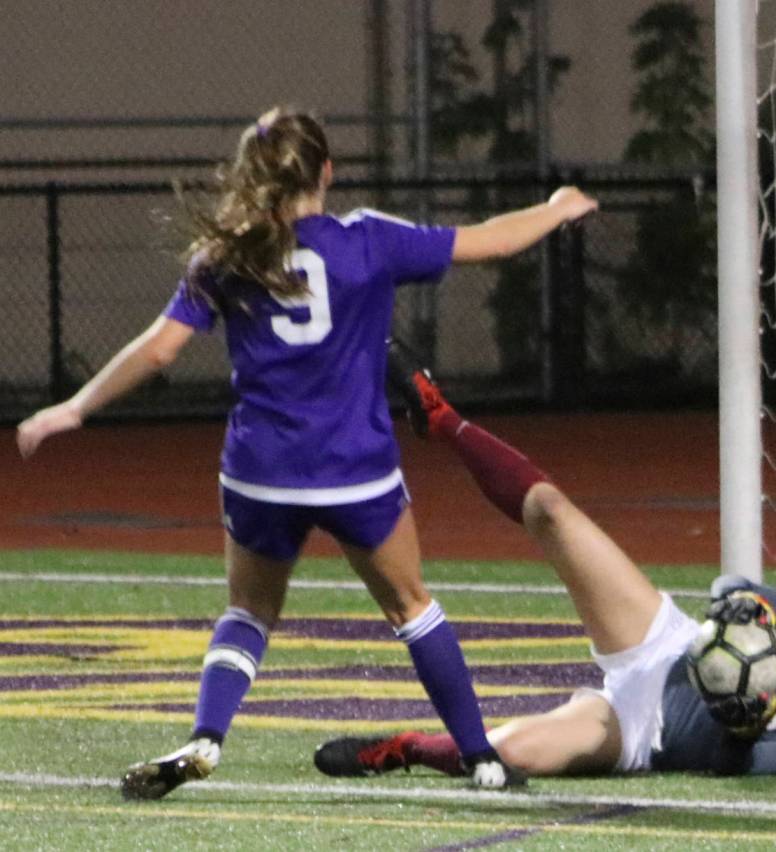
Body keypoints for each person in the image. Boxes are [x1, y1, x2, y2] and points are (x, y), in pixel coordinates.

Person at [15, 106, 598, 798]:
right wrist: (557, 207)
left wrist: (74, 408)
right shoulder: (368, 240)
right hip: (354, 470)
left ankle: (206, 736)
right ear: (327, 170)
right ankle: (483, 758)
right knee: (413, 609)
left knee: (248, 613)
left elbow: (161, 348)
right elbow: (492, 242)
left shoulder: (229, 253)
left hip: (260, 473)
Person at [314, 347, 776, 779]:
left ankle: (403, 749)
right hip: (663, 640)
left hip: (643, 733)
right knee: (554, 513)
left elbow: (735, 761)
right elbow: (734, 586)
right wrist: (744, 618)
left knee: (506, 757)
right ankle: (440, 416)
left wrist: (748, 705)